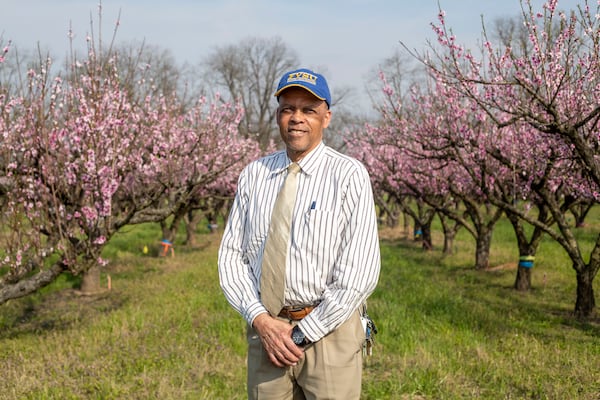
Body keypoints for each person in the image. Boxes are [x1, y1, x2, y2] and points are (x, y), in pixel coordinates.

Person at [218, 68, 381, 399]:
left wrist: (302, 334)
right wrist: (260, 320)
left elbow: (359, 272)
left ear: (327, 118)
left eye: (308, 110)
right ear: (278, 116)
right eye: (288, 109)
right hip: (268, 332)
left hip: (329, 332)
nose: (297, 118)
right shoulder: (254, 175)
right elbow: (232, 256)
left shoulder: (348, 175)